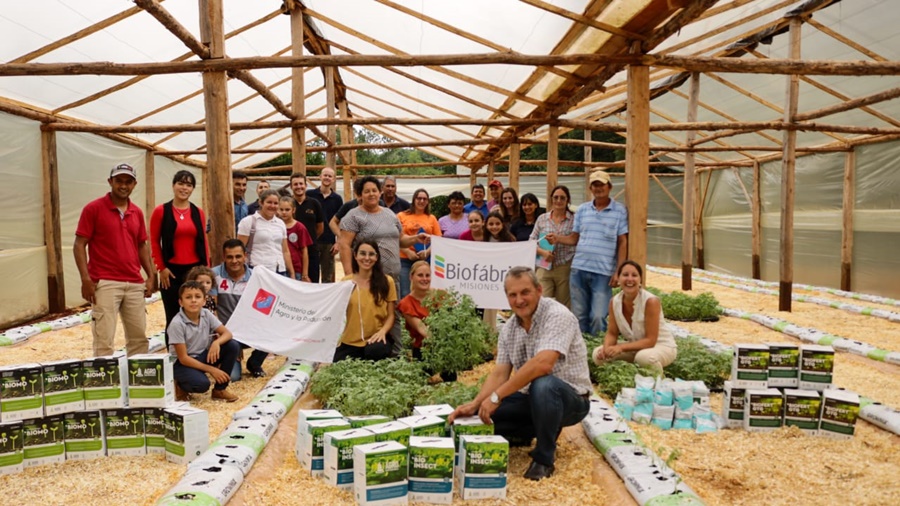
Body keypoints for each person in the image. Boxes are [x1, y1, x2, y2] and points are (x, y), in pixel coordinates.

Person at [448, 267, 591, 481]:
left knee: (543, 385)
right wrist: (477, 403)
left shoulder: (557, 315)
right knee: (486, 415)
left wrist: (497, 396)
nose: (519, 300)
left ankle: (543, 458)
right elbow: (499, 373)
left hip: (571, 400)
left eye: (525, 292)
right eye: (512, 295)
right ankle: (525, 434)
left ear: (539, 290)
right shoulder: (509, 328)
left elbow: (543, 364)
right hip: (532, 398)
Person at [340, 176, 428, 357]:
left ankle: (397, 355)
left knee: (393, 315)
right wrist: (350, 276)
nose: (371, 194)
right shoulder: (354, 216)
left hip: (391, 277)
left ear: (380, 192)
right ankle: (364, 350)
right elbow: (344, 245)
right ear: (360, 195)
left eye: (374, 190)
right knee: (367, 315)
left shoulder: (389, 214)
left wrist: (415, 239)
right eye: (367, 191)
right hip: (367, 278)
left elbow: (400, 240)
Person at [74, 163, 156, 357]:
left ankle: (138, 382)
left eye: (128, 182)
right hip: (105, 282)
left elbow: (141, 245)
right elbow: (79, 245)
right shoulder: (93, 209)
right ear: (110, 182)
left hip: (134, 283)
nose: (123, 186)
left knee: (139, 338)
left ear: (135, 184)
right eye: (119, 181)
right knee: (104, 339)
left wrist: (151, 275)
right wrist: (85, 279)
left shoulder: (136, 212)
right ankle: (105, 384)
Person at [548, 171, 628, 335]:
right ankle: (581, 351)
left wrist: (619, 271)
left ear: (609, 187)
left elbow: (622, 242)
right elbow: (574, 239)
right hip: (579, 269)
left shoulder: (619, 211)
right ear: (590, 188)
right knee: (579, 315)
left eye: (601, 184)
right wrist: (557, 238)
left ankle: (597, 351)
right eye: (595, 185)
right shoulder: (583, 210)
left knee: (598, 316)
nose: (598, 188)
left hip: (603, 272)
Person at [149, 170, 209, 342]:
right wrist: (162, 268)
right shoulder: (161, 211)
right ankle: (175, 359)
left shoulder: (198, 212)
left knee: (195, 315)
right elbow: (154, 241)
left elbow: (203, 242)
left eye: (189, 185)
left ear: (193, 189)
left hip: (194, 271)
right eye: (181, 183)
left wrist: (206, 271)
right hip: (171, 272)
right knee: (173, 317)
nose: (184, 188)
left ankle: (195, 355)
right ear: (173, 186)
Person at [592, 261, 678, 372]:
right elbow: (612, 333)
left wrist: (620, 347)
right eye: (625, 275)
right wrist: (606, 348)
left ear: (640, 280)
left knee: (644, 358)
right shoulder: (614, 302)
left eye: (634, 275)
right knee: (597, 355)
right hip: (636, 348)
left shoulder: (650, 301)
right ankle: (626, 379)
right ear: (618, 278)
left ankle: (658, 383)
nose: (630, 279)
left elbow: (650, 340)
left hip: (661, 346)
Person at [168, 281, 240, 403]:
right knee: (202, 385)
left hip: (201, 355)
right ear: (181, 302)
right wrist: (212, 370)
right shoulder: (176, 324)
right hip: (181, 364)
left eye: (197, 296)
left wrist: (216, 343)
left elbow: (227, 334)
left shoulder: (206, 314)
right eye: (188, 297)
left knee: (232, 345)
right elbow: (183, 358)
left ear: (204, 301)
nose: (193, 300)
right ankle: (180, 385)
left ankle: (219, 390)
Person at [333, 241, 397, 362]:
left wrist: (383, 332)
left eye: (371, 254)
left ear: (376, 257)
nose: (367, 258)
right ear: (355, 255)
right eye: (362, 253)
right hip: (350, 340)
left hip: (376, 338)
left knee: (376, 351)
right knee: (338, 363)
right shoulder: (345, 283)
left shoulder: (387, 281)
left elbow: (391, 315)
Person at [210, 240, 261, 378]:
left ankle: (255, 362)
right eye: (230, 257)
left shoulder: (256, 277)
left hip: (248, 330)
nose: (234, 261)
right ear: (223, 257)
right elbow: (211, 309)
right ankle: (226, 355)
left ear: (245, 256)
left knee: (274, 328)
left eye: (238, 256)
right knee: (233, 377)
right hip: (224, 333)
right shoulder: (213, 275)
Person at [531, 185, 576, 308]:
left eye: (562, 198)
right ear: (551, 199)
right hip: (544, 266)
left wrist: (558, 239)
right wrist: (543, 253)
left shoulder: (574, 219)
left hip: (564, 267)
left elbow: (576, 240)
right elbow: (531, 242)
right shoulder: (542, 219)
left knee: (564, 306)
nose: (559, 201)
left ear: (568, 200)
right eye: (556, 197)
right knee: (541, 303)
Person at [237, 189, 294, 278]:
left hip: (280, 270)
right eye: (269, 202)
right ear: (261, 202)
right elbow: (240, 249)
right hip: (258, 269)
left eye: (275, 203)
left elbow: (285, 251)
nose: (272, 206)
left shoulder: (280, 223)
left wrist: (292, 273)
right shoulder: (248, 222)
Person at [397, 188, 442, 298]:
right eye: (419, 198)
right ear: (414, 200)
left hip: (425, 260)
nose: (422, 201)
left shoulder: (432, 218)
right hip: (405, 259)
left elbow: (438, 240)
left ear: (428, 202)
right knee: (405, 292)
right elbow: (396, 238)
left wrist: (427, 252)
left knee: (425, 292)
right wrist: (408, 252)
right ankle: (406, 315)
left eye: (425, 199)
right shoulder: (401, 216)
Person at [306, 168, 343, 282]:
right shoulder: (309, 195)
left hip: (329, 243)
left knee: (328, 277)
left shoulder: (337, 199)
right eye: (325, 175)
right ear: (320, 177)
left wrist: (338, 242)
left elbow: (340, 222)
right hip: (312, 241)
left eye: (330, 176)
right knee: (311, 275)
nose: (327, 178)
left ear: (334, 179)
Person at [290, 173, 325, 282]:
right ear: (291, 187)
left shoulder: (314, 203)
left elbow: (320, 227)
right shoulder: (287, 204)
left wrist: (309, 239)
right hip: (292, 251)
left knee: (312, 281)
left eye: (301, 183)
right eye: (295, 184)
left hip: (311, 250)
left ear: (305, 185)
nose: (299, 186)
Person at [278, 196, 312, 282]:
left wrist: (305, 274)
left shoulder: (299, 227)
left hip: (296, 268)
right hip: (280, 268)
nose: (284, 212)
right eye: (281, 209)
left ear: (293, 210)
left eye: (287, 209)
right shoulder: (276, 226)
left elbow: (305, 251)